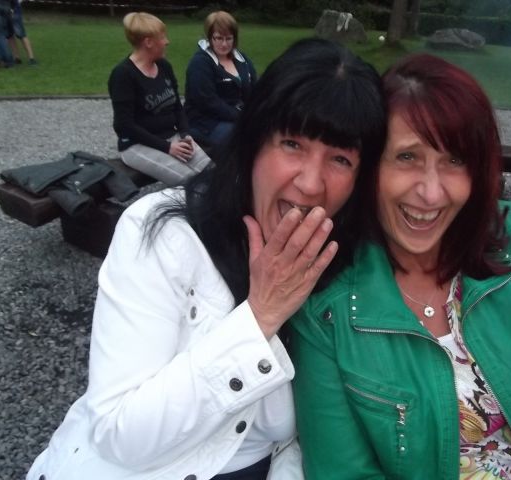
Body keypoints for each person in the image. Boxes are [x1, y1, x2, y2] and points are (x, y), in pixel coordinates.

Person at [26, 37, 386, 480]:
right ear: (254, 142)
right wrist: (260, 316)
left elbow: (304, 433)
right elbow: (119, 434)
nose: (311, 183)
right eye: (292, 144)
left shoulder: (343, 260)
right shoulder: (162, 234)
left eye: (340, 159)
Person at [291, 53, 511, 479]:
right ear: (371, 167)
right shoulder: (326, 307)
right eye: (407, 157)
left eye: (454, 160)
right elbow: (344, 472)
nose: (431, 193)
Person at [108, 12, 211, 187]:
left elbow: (177, 106)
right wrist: (167, 147)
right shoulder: (123, 75)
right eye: (162, 37)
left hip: (172, 137)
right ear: (148, 42)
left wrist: (185, 134)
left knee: (213, 172)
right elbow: (124, 126)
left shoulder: (164, 66)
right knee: (191, 182)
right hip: (137, 145)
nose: (167, 41)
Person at [184, 10, 257, 155]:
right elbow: (207, 102)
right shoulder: (200, 63)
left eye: (229, 38)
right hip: (206, 122)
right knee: (243, 139)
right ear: (209, 37)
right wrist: (242, 117)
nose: (224, 44)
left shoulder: (241, 58)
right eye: (218, 38)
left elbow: (254, 88)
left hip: (237, 116)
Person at [6, 0, 37, 65]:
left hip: (13, 9)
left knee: (21, 34)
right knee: (9, 36)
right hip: (6, 9)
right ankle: (17, 58)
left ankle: (31, 58)